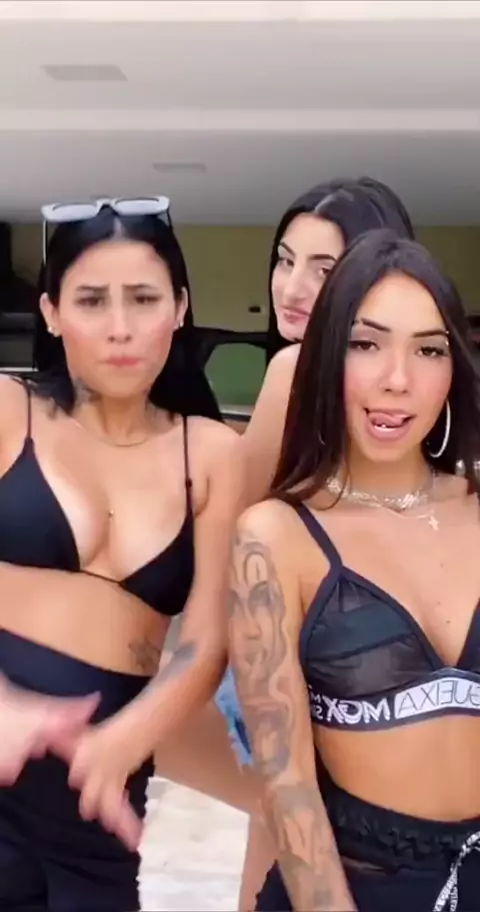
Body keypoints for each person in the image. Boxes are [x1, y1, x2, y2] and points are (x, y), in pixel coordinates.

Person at [155, 177, 416, 909]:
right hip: (361, 677)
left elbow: (225, 551)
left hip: (301, 679)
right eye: (285, 259)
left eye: (322, 268)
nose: (291, 287)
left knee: (279, 861)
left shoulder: (295, 373)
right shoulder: (393, 388)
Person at [0, 197, 242, 911]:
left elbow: (205, 641)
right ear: (50, 313)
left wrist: (123, 743)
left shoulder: (212, 454)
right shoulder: (9, 413)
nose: (120, 327)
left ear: (180, 307)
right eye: (91, 300)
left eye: (143, 298)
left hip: (98, 809)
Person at [229, 229, 480, 912]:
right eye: (365, 344)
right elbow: (287, 786)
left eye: (428, 349)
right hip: (355, 887)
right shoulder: (275, 538)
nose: (397, 378)